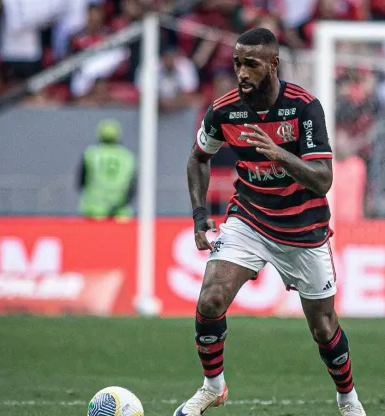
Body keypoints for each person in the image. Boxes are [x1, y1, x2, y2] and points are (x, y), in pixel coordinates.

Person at [178, 28, 367, 416]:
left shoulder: (304, 108)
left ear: (273, 64)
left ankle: (348, 400)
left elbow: (323, 179)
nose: (242, 72)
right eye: (237, 64)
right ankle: (213, 387)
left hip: (304, 229)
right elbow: (198, 157)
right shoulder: (224, 110)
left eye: (251, 64)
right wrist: (200, 218)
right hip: (249, 220)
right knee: (211, 299)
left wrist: (279, 155)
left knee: (323, 328)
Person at [77, 119, 137, 220]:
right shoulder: (128, 156)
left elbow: (81, 181)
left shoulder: (91, 154)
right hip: (120, 211)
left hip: (94, 209)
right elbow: (133, 186)